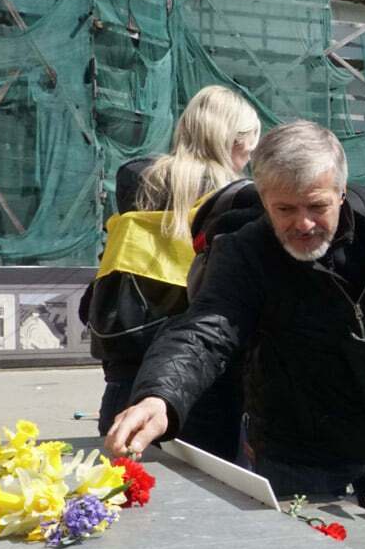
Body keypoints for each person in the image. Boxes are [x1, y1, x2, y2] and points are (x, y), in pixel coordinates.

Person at [103, 120, 365, 518]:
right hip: (296, 449)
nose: (303, 224)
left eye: (317, 206)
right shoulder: (243, 252)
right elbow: (206, 330)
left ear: (341, 193)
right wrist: (160, 396)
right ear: (263, 198)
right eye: (285, 209)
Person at [87, 85, 260, 460]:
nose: (250, 155)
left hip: (126, 372)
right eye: (250, 143)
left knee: (122, 495)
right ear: (235, 142)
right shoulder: (240, 201)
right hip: (205, 382)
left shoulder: (136, 181)